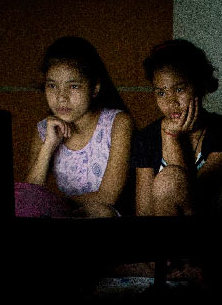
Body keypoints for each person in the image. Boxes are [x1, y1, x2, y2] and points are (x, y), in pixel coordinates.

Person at [19, 37, 135, 218]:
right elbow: (28, 198)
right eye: (52, 86)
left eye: (73, 86)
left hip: (105, 215)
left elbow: (107, 197)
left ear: (95, 88)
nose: (61, 97)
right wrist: (48, 146)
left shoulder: (118, 123)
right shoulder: (44, 129)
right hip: (65, 216)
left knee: (100, 212)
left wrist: (55, 205)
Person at [132, 39, 222, 216]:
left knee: (170, 180)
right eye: (161, 93)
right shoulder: (146, 137)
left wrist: (172, 137)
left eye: (179, 89)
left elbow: (194, 197)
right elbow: (145, 213)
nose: (171, 102)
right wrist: (168, 134)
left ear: (200, 86)